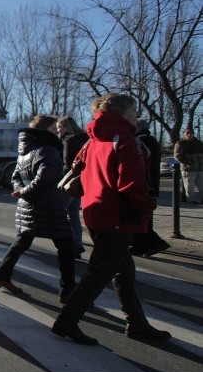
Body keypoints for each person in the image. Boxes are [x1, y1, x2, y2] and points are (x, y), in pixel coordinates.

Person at [52, 93, 170, 345]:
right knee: (101, 272)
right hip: (119, 214)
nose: (136, 116)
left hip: (95, 211)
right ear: (122, 112)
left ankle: (136, 322)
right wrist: (149, 205)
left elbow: (78, 169)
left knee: (123, 270)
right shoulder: (125, 139)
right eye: (133, 110)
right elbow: (131, 183)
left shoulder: (92, 139)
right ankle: (67, 320)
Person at [0, 115, 77, 302]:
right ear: (44, 131)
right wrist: (24, 192)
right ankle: (68, 289)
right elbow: (45, 178)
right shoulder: (49, 148)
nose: (57, 133)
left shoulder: (25, 149)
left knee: (22, 242)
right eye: (54, 130)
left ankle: (2, 275)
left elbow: (15, 176)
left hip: (29, 204)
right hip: (49, 204)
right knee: (65, 246)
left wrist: (21, 192)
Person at [130, 118, 171, 257]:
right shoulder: (149, 140)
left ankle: (153, 243)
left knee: (141, 218)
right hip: (149, 183)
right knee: (143, 217)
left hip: (145, 183)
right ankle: (141, 245)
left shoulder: (142, 141)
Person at [57, 115, 89, 258]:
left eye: (59, 128)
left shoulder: (68, 141)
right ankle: (78, 244)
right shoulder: (86, 140)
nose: (58, 131)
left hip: (70, 182)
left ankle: (75, 245)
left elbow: (68, 165)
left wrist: (61, 181)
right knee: (74, 216)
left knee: (60, 213)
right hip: (81, 182)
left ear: (66, 127)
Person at [174, 127, 203, 204]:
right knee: (189, 186)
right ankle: (191, 199)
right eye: (187, 133)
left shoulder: (199, 143)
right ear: (184, 134)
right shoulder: (181, 143)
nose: (189, 134)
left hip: (200, 168)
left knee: (201, 185)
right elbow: (177, 156)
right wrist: (188, 162)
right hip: (189, 169)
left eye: (191, 133)